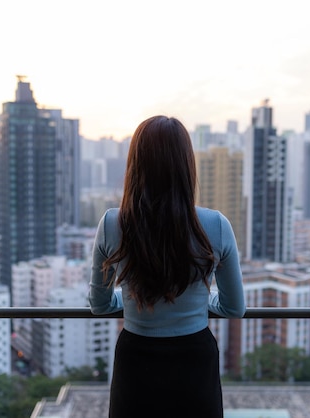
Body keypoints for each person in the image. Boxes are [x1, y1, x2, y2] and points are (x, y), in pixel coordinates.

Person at [88, 115, 246, 418]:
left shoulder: (111, 224)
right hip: (194, 360)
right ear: (187, 165)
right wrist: (199, 301)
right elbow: (234, 308)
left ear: (135, 164)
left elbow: (100, 305)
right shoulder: (216, 225)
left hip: (136, 358)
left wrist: (130, 298)